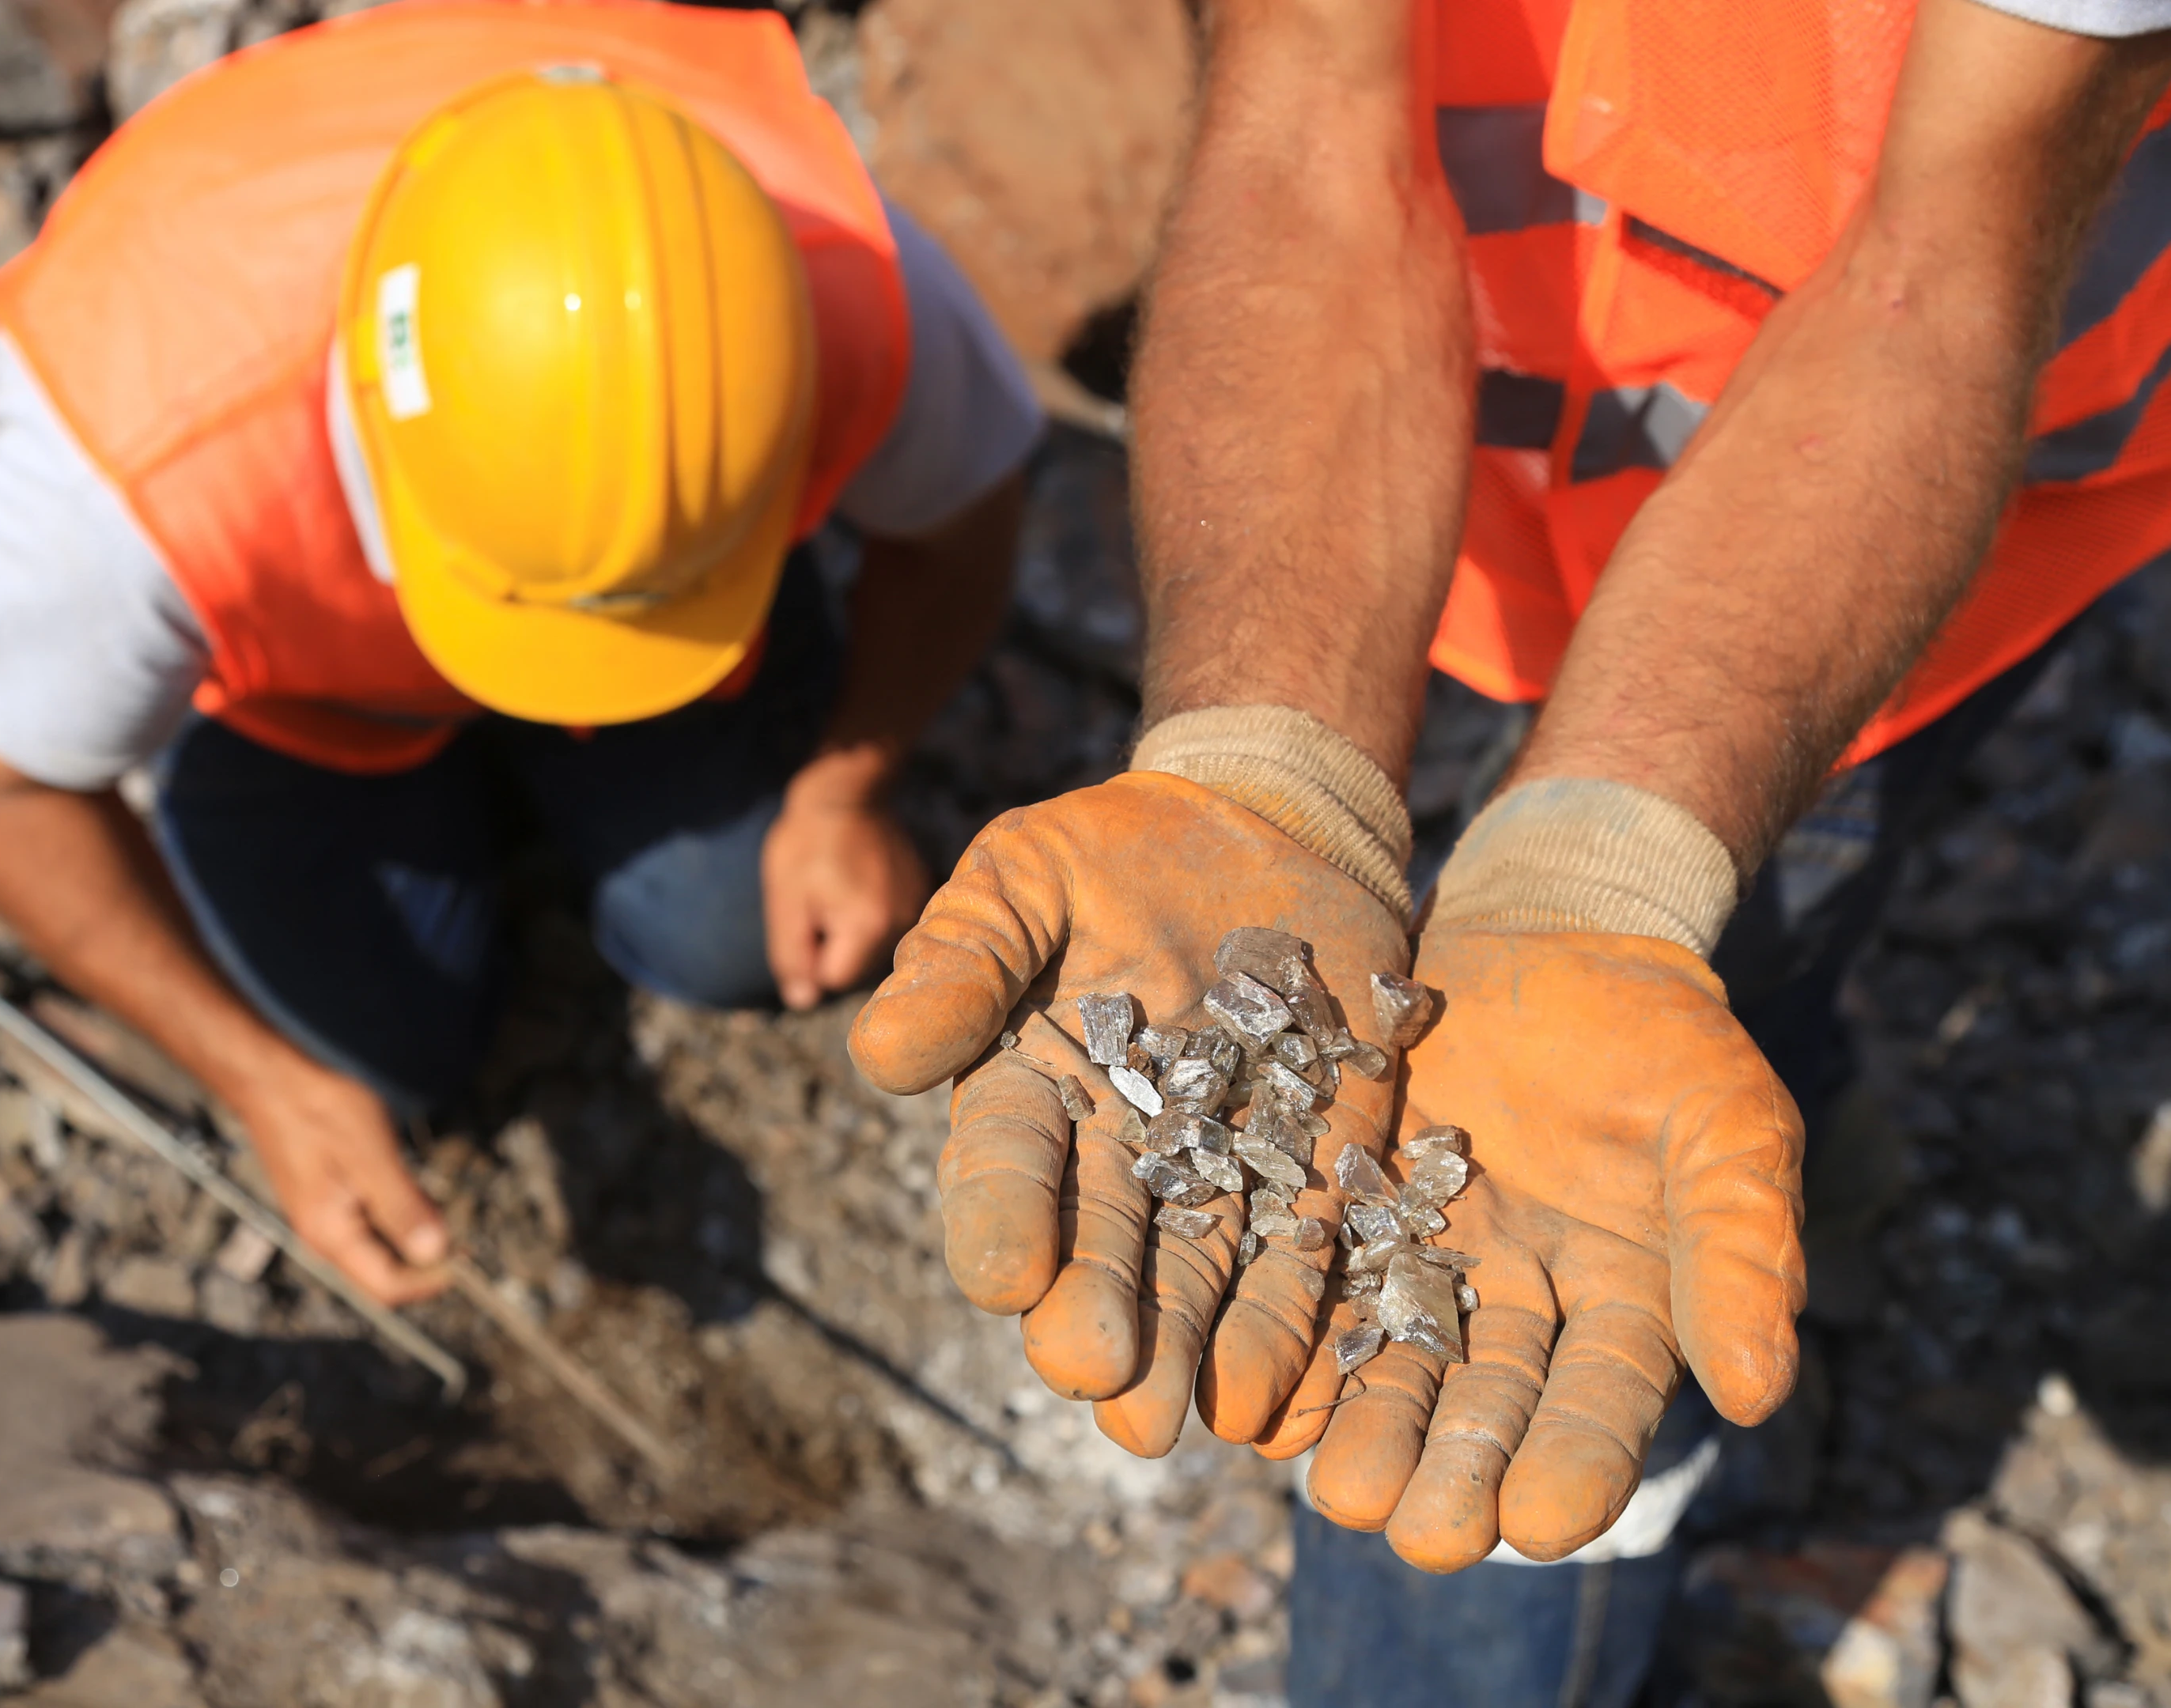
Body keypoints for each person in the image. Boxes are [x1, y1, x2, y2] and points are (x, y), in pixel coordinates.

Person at [845, 0, 2171, 1699]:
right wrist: (1264, 759)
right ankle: (1813, 1123)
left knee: (1674, 1066)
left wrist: (1603, 877)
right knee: (1686, 1041)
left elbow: (1938, 272)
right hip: (1430, 465)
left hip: (1859, 550)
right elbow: (1308, 123)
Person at [0, 0, 1041, 1307]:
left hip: (680, 652)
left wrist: (848, 787)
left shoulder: (836, 280)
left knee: (731, 940)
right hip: (311, 701)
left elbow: (963, 527)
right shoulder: (138, 466)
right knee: (378, 1066)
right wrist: (264, 1085)